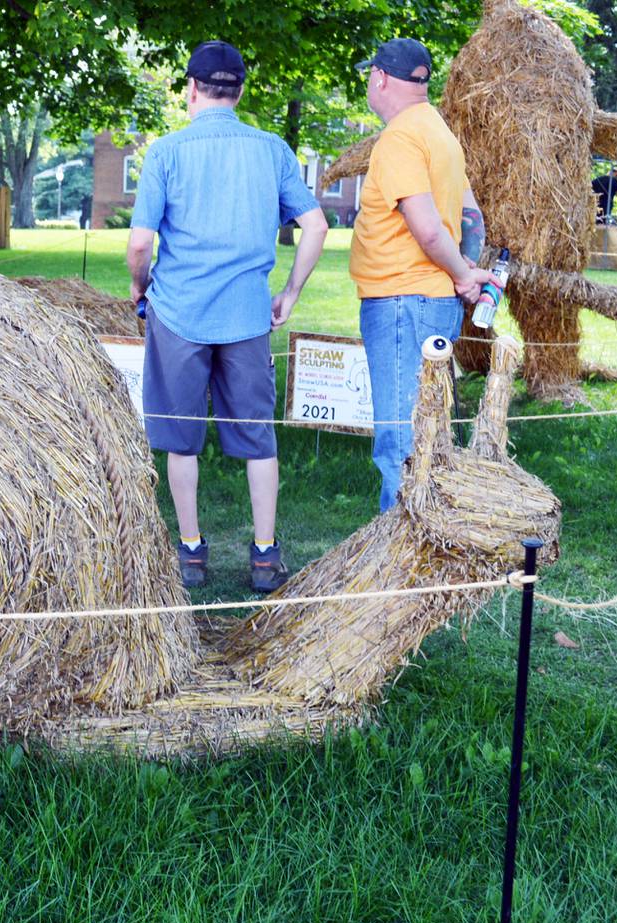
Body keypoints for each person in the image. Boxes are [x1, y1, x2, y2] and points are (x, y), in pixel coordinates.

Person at [127, 40, 329, 592]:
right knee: (258, 437)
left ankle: (191, 552)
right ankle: (265, 555)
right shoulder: (272, 150)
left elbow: (140, 244)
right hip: (246, 316)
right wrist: (289, 291)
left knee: (181, 437)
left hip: (179, 312)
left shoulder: (165, 153)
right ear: (238, 91)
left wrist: (139, 287)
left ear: (190, 89)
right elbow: (316, 226)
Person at [348, 38, 495, 512]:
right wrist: (467, 272)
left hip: (400, 304)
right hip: (433, 302)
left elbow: (429, 230)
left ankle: (400, 564)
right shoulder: (441, 134)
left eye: (369, 76)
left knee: (400, 442)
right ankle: (425, 543)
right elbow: (471, 217)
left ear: (380, 78)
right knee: (426, 431)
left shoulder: (400, 138)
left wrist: (462, 273)